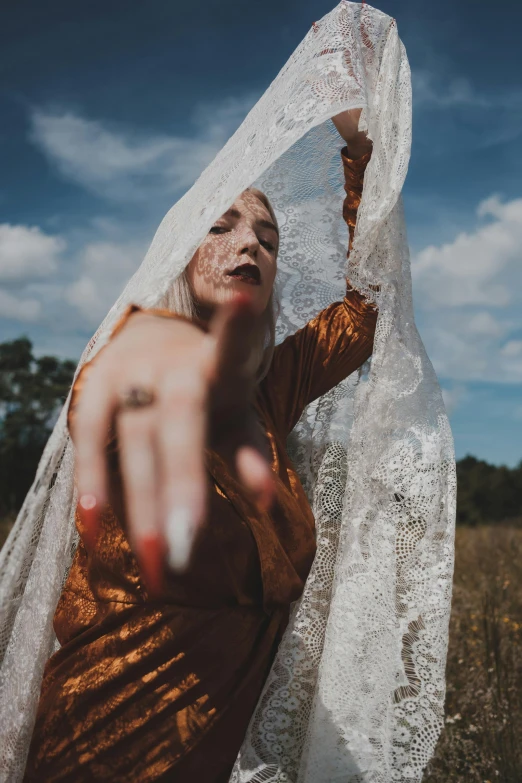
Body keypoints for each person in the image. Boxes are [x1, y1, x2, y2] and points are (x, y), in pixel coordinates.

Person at [23, 108, 377, 782]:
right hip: (104, 743)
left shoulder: (271, 392)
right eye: (221, 227)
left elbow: (366, 307)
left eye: (267, 239)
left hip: (211, 752)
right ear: (181, 255)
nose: (248, 244)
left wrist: (359, 147)